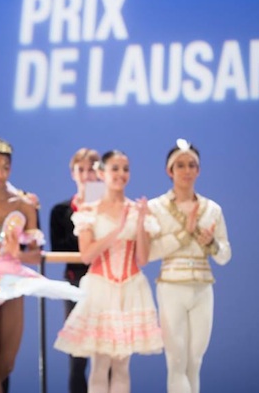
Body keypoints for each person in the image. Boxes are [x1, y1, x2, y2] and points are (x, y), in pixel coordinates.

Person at [0, 137, 83, 393]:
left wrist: (16, 252)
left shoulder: (24, 203)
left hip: (14, 281)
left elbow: (36, 255)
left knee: (7, 363)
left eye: (5, 167)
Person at [54, 150, 163, 393]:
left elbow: (143, 258)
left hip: (131, 289)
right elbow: (87, 255)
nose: (121, 174)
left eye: (125, 169)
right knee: (100, 364)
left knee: (122, 366)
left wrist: (141, 223)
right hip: (100, 288)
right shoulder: (89, 211)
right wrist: (118, 229)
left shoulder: (137, 210)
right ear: (102, 173)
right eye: (115, 168)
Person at [147, 139, 232, 393]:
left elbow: (225, 255)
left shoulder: (212, 209)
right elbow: (150, 252)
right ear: (169, 171)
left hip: (203, 287)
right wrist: (185, 233)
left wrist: (212, 244)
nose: (186, 171)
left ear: (199, 170)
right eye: (180, 165)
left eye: (192, 165)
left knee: (195, 359)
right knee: (176, 360)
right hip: (171, 286)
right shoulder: (156, 208)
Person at [49, 147, 100, 393]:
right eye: (81, 169)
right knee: (77, 356)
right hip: (75, 283)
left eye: (92, 169)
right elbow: (60, 250)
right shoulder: (60, 211)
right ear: (72, 173)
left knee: (107, 353)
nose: (86, 175)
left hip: (106, 280)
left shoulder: (110, 207)